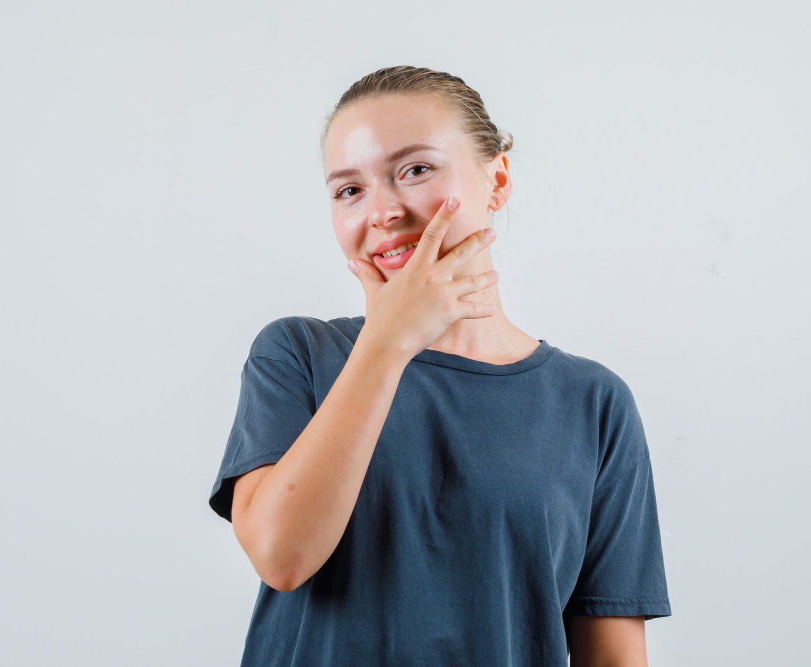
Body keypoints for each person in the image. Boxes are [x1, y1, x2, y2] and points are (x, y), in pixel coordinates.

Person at [208, 65, 671, 666]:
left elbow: (610, 653)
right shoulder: (297, 355)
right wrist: (389, 342)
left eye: (416, 170)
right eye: (350, 189)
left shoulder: (593, 402)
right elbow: (282, 556)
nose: (382, 211)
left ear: (497, 178)